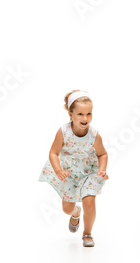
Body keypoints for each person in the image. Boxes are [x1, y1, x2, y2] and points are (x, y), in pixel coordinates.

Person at [39, 90, 108, 247]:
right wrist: (58, 171)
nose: (85, 118)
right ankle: (76, 213)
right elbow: (53, 153)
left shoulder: (94, 135)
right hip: (69, 173)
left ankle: (87, 234)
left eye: (89, 114)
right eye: (80, 114)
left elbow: (102, 154)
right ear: (70, 114)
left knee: (89, 202)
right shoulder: (63, 132)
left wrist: (102, 170)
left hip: (89, 172)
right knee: (66, 208)